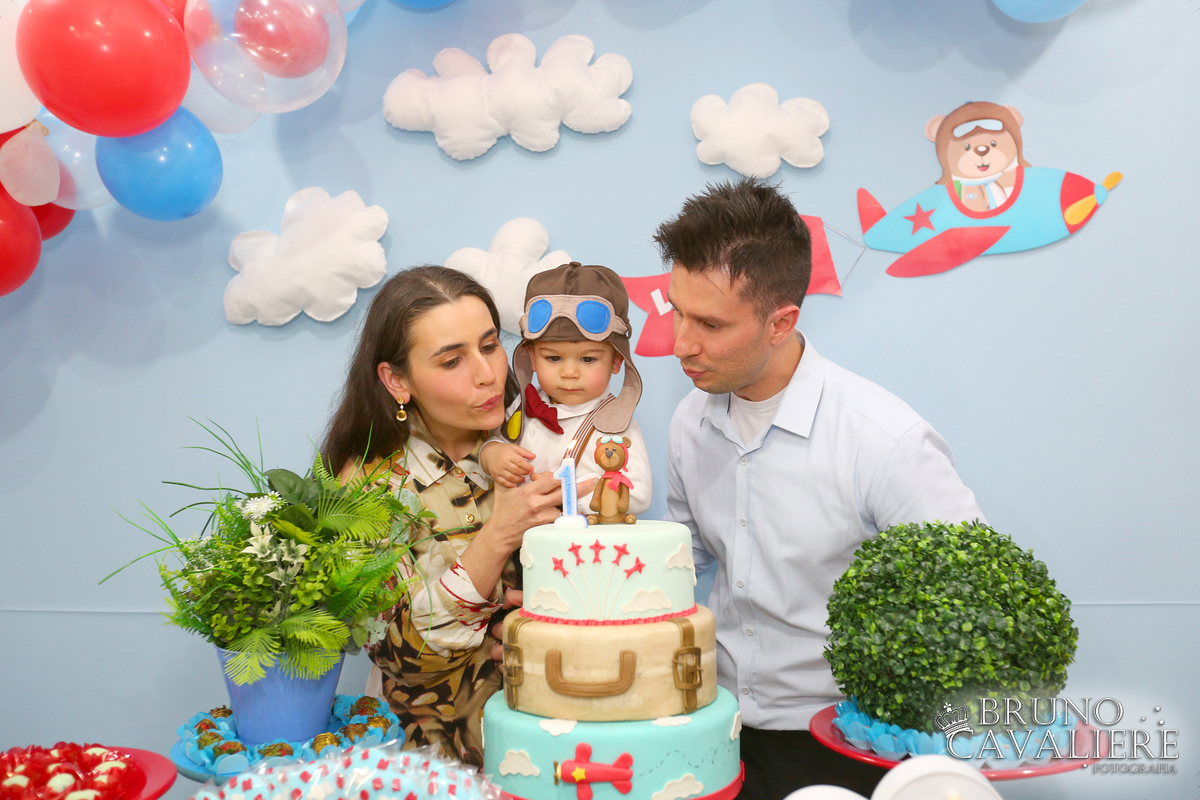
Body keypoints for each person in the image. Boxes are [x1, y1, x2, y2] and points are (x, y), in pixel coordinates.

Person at [654, 180, 985, 799]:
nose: (681, 345)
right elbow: (682, 563)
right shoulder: (688, 422)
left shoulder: (884, 440)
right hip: (716, 732)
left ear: (781, 322)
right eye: (677, 311)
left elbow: (970, 598)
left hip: (844, 746)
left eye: (710, 324)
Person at [321, 266, 579, 767]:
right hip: (431, 760)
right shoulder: (367, 486)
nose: (486, 374)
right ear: (397, 380)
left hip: (548, 742)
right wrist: (498, 535)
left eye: (489, 345)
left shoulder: (535, 442)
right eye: (452, 360)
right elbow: (406, 659)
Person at [480, 262, 651, 519]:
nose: (569, 373)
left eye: (588, 359)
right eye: (554, 358)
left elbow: (638, 494)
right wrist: (491, 454)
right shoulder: (524, 406)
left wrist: (567, 492)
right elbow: (499, 440)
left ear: (616, 361)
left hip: (585, 541)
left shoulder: (614, 424)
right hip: (524, 539)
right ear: (532, 358)